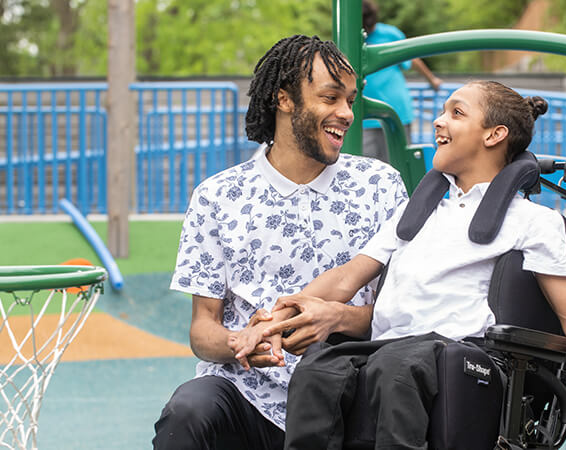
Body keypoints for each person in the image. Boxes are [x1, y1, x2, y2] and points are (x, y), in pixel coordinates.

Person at [234, 81, 566, 450]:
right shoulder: (416, 214)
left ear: (494, 135)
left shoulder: (532, 221)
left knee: (396, 367)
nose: (439, 120)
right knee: (319, 370)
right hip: (389, 348)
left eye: (456, 113)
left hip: (459, 353)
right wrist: (272, 320)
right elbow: (344, 279)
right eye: (442, 111)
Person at [151, 35, 408, 450]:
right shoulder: (218, 195)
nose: (346, 113)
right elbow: (203, 330)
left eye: (350, 100)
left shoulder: (380, 186)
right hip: (247, 395)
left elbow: (402, 314)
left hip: (348, 393)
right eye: (330, 98)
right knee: (190, 411)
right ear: (283, 99)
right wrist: (242, 343)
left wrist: (337, 318)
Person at [361, 0, 443, 163]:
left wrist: (432, 79)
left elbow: (411, 59)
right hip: (365, 114)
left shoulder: (390, 34)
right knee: (367, 164)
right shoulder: (351, 38)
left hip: (396, 109)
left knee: (400, 161)